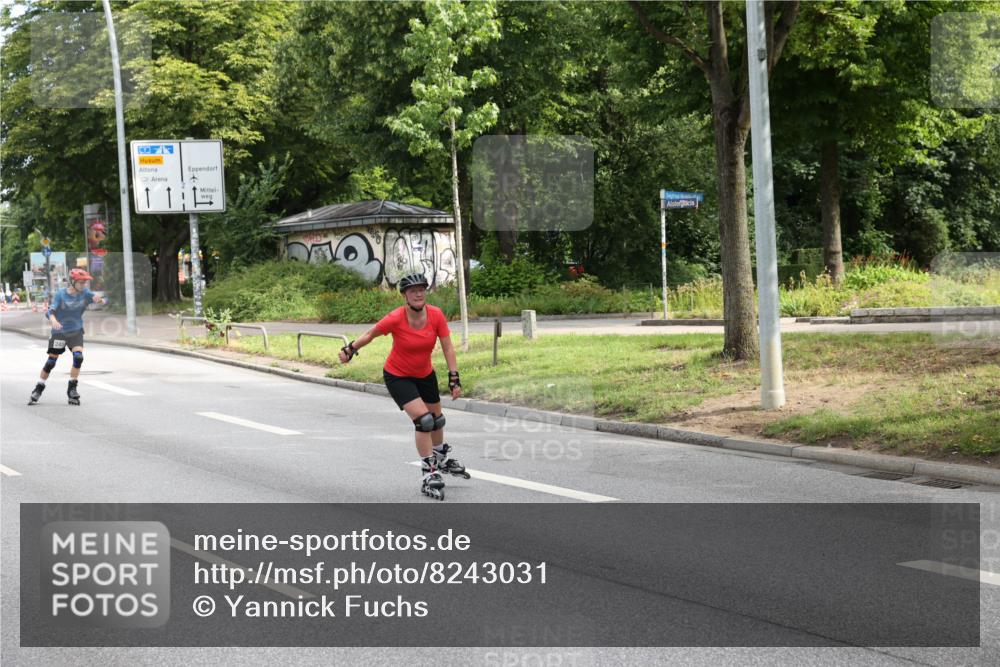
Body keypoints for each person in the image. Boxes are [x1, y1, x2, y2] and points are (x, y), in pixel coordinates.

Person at [338, 272, 467, 500]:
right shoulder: (396, 317)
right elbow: (371, 334)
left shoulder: (436, 315)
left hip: (425, 374)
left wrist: (453, 376)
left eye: (421, 290)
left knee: (438, 420)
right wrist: (350, 350)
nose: (418, 294)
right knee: (424, 421)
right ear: (405, 296)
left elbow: (447, 347)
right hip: (398, 375)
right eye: (412, 291)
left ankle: (440, 458)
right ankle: (429, 472)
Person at [28, 268, 105, 406]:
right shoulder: (61, 295)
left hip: (76, 331)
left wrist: (100, 301)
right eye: (80, 283)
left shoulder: (85, 293)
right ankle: (38, 388)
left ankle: (72, 389)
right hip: (60, 332)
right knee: (51, 362)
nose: (83, 285)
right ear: (72, 282)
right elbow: (50, 311)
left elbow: (101, 300)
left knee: (78, 357)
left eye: (84, 283)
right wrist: (53, 320)